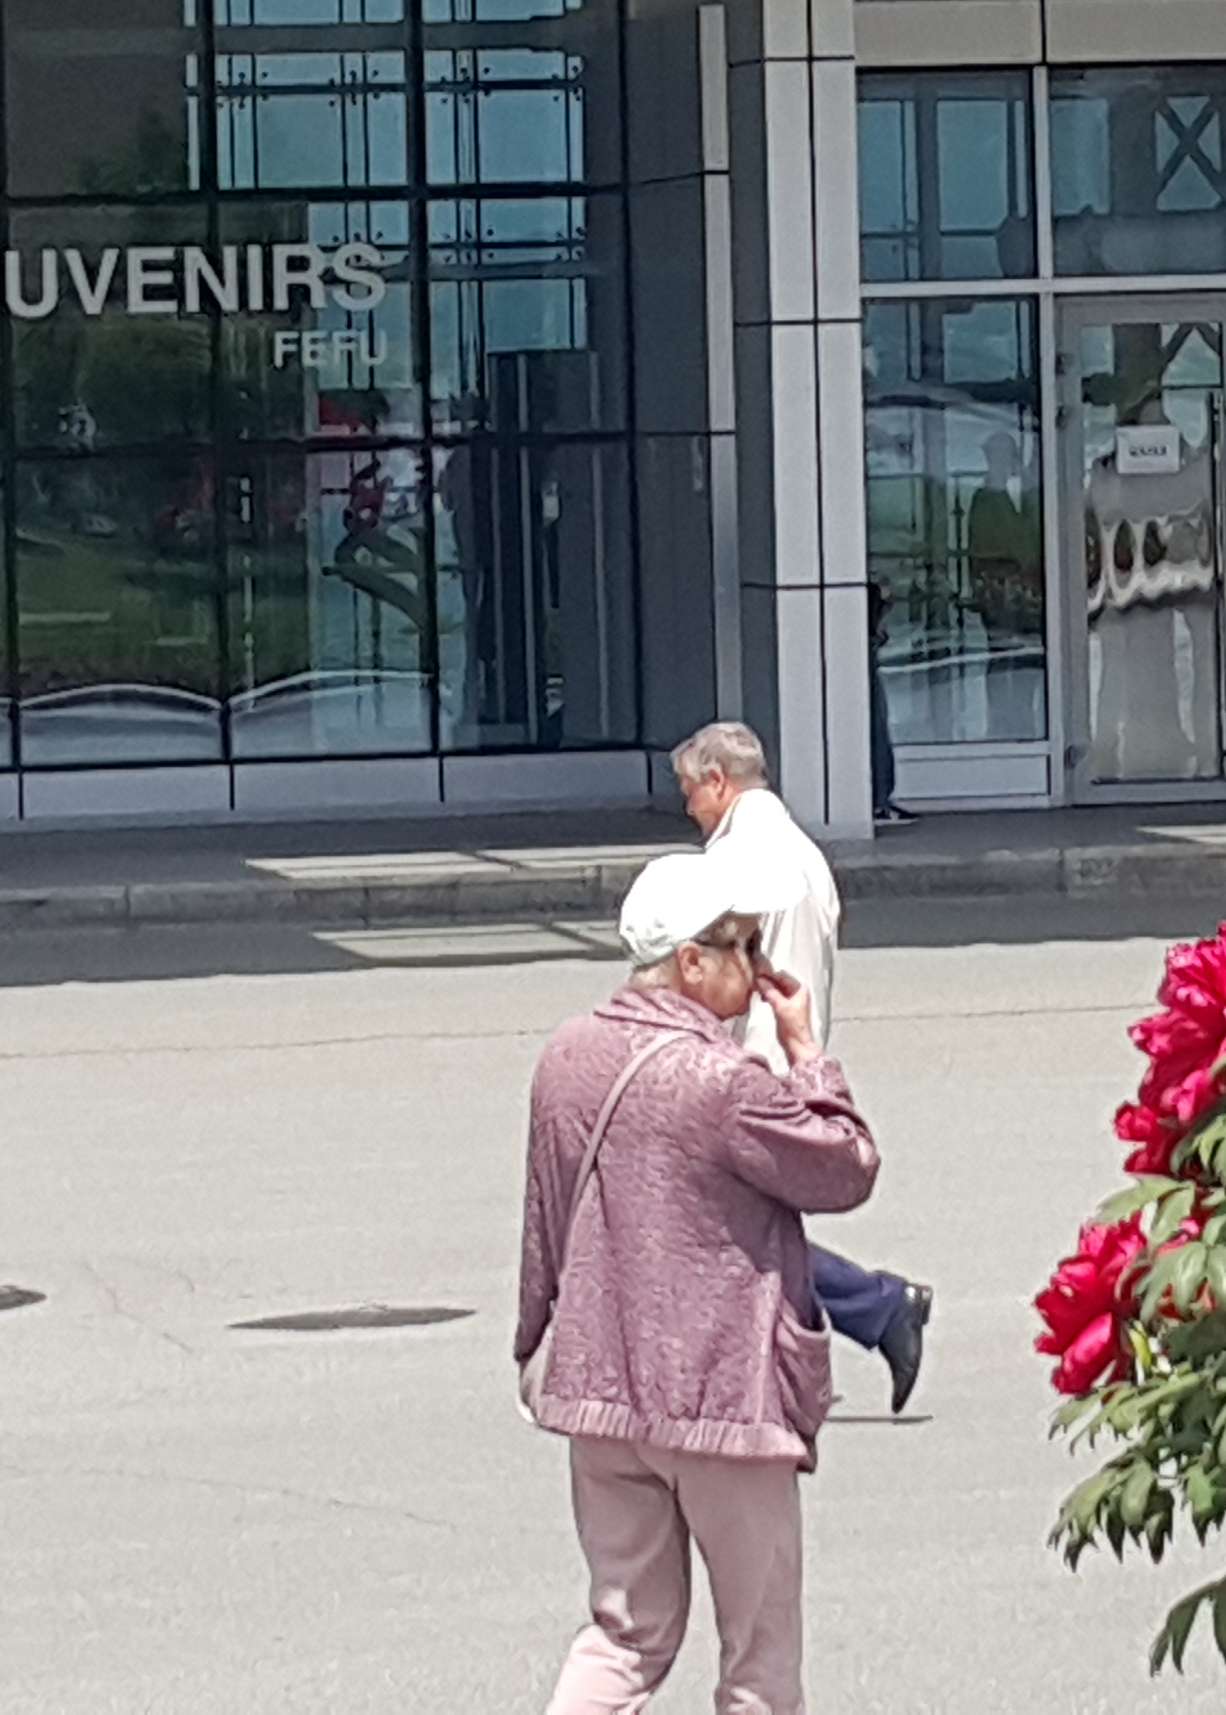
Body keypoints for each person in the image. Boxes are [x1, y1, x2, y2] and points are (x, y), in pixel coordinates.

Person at [514, 856, 879, 1715]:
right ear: (690, 961)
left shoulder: (566, 1055)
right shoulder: (722, 1081)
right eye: (742, 947)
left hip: (602, 1394)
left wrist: (534, 1344)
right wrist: (807, 1054)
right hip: (723, 1400)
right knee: (759, 1652)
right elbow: (847, 1167)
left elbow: (544, 1216)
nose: (757, 969)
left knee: (622, 1635)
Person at [671, 723, 935, 1410]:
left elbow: (727, 972)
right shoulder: (797, 850)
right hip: (786, 1050)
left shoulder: (743, 859)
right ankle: (866, 1316)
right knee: (737, 1229)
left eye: (690, 789)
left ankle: (875, 1308)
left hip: (751, 1061)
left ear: (718, 783)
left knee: (720, 1230)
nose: (688, 806)